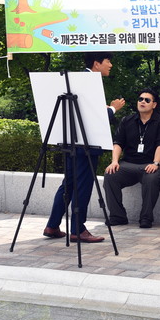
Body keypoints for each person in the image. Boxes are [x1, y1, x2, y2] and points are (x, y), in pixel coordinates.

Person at [43, 52, 125, 243]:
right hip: (85, 146)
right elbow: (93, 119)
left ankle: (52, 225)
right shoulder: (90, 82)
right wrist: (113, 109)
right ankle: (78, 229)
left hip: (69, 141)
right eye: (108, 61)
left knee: (68, 185)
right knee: (82, 187)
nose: (110, 65)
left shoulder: (77, 80)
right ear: (97, 63)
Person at [104, 88, 160, 228]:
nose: (142, 102)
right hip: (128, 164)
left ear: (154, 104)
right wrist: (114, 161)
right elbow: (118, 143)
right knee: (110, 175)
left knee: (152, 178)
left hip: (150, 164)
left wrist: (156, 163)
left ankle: (146, 218)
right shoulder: (127, 120)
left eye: (147, 100)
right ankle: (117, 216)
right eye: (140, 99)